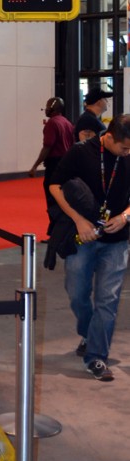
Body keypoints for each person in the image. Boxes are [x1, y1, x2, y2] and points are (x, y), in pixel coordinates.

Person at [48, 114, 130, 382]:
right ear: (110, 137)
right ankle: (88, 331)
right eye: (125, 148)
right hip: (83, 237)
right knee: (76, 292)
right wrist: (78, 220)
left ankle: (96, 356)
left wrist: (125, 216)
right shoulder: (81, 152)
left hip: (117, 240)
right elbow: (54, 185)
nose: (128, 153)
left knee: (108, 300)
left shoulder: (129, 154)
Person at [29, 96, 75, 229]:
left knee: (52, 197)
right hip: (66, 163)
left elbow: (48, 146)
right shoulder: (67, 122)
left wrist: (35, 166)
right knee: (63, 197)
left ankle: (55, 229)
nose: (46, 109)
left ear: (52, 109)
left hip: (54, 164)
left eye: (47, 107)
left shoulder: (52, 123)